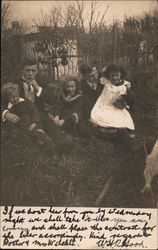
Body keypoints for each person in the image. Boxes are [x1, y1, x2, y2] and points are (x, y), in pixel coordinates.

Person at [2, 58, 72, 153]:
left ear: (37, 71)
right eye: (27, 70)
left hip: (40, 114)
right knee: (24, 142)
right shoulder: (14, 83)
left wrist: (37, 87)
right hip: (21, 117)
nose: (30, 73)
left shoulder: (40, 82)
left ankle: (56, 145)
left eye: (33, 70)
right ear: (22, 70)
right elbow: (2, 100)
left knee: (61, 140)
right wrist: (5, 113)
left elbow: (53, 100)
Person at [90, 63, 135, 149]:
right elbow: (98, 75)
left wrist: (126, 97)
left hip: (115, 107)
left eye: (117, 75)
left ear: (121, 74)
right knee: (103, 119)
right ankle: (113, 137)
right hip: (103, 105)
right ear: (108, 75)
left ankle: (121, 138)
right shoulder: (105, 81)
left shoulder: (124, 86)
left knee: (121, 120)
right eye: (112, 75)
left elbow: (129, 100)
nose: (114, 78)